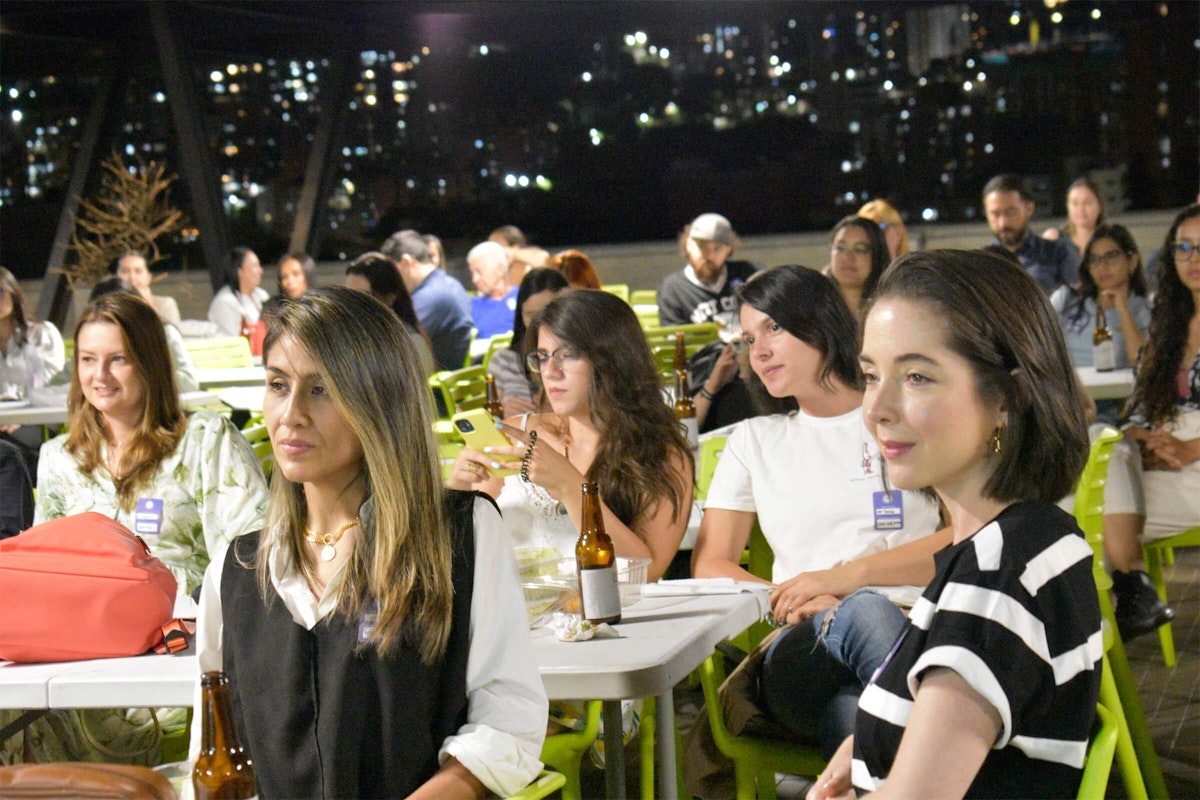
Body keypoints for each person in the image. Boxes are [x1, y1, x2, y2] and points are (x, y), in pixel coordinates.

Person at [190, 287, 547, 798]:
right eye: (277, 385)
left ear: (379, 401)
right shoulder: (236, 571)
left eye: (321, 390)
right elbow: (212, 758)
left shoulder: (459, 537)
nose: (291, 414)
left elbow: (508, 722)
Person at [808, 249, 1100, 799]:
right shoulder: (1031, 538)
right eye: (871, 375)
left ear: (1008, 398)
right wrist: (872, 742)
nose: (876, 408)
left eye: (917, 376)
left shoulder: (995, 576)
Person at [690, 265, 943, 755]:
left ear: (821, 322)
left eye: (774, 329)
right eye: (747, 338)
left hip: (917, 621)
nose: (758, 351)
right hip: (803, 641)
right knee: (865, 612)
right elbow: (710, 563)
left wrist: (842, 578)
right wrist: (793, 597)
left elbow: (964, 541)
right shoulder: (755, 441)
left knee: (853, 715)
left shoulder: (902, 417)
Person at [449, 289, 693, 584]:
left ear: (614, 359)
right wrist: (457, 493)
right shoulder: (517, 434)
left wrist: (571, 486)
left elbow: (643, 572)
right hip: (513, 619)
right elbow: (459, 554)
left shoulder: (663, 456)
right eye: (541, 357)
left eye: (568, 356)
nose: (550, 371)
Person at [34, 291, 267, 595]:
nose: (100, 375)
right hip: (87, 626)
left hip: (185, 629)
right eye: (88, 359)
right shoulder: (60, 457)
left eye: (118, 359)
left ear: (150, 362)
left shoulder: (204, 440)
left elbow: (251, 552)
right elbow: (42, 569)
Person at [1100, 204, 1200, 640]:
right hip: (1159, 452)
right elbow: (1140, 404)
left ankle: (1130, 590)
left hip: (1193, 461)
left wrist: (1187, 450)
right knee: (1101, 442)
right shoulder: (1170, 320)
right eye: (1184, 247)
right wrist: (1140, 440)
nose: (1194, 259)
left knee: (1080, 525)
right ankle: (1133, 587)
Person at [1051, 223, 1150, 423]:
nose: (1102, 266)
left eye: (1111, 256)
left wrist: (1122, 309)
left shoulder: (1142, 309)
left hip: (1115, 405)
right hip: (1066, 400)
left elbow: (1143, 367)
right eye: (1094, 260)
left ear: (1131, 261)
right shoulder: (1067, 300)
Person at [43, 277, 199, 394]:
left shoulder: (162, 334)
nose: (101, 374)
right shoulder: (92, 339)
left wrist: (138, 380)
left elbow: (188, 382)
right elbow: (57, 383)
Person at [0, 266, 66, 478]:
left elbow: (53, 388)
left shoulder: (42, 334)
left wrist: (20, 416)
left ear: (14, 294)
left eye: (0, 292)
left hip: (38, 417)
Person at [381, 229, 474, 371]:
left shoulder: (430, 297)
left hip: (434, 384)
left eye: (392, 270)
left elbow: (393, 345)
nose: (390, 279)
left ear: (407, 261)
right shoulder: (449, 283)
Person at [488, 267, 570, 417]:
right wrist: (503, 411)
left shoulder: (576, 360)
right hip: (517, 437)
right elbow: (493, 417)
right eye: (530, 315)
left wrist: (556, 410)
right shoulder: (503, 360)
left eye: (547, 313)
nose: (537, 324)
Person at [982, 173, 1080, 293]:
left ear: (1029, 208)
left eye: (1011, 212)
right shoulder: (983, 262)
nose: (1003, 223)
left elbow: (1076, 302)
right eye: (995, 214)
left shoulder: (1057, 254)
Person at [345, 251, 436, 376]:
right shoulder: (357, 337)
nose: (351, 305)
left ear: (390, 297)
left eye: (363, 297)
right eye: (348, 296)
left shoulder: (411, 345)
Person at [658, 213, 757, 327]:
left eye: (717, 248)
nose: (709, 255)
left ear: (729, 249)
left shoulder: (749, 274)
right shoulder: (672, 289)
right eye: (702, 246)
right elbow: (675, 339)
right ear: (688, 244)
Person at [826, 215, 890, 319]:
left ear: (877, 256)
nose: (847, 257)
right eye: (840, 248)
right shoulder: (813, 307)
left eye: (860, 249)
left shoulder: (888, 311)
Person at [206, 246, 269, 337]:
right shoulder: (224, 302)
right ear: (240, 271)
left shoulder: (261, 295)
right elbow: (230, 339)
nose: (260, 271)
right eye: (255, 266)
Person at [1043, 176, 1107, 260]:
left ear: (1100, 206)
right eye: (1075, 203)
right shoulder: (1053, 239)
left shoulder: (1113, 243)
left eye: (1087, 203)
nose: (1080, 209)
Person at [467, 240, 519, 339]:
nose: (474, 279)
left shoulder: (522, 297)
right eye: (472, 273)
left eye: (479, 271)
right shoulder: (470, 306)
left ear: (500, 270)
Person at [115, 251, 182, 327]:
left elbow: (170, 336)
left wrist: (145, 305)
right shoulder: (111, 307)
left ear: (148, 277)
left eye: (138, 271)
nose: (132, 277)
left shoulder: (164, 304)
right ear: (117, 277)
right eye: (125, 271)